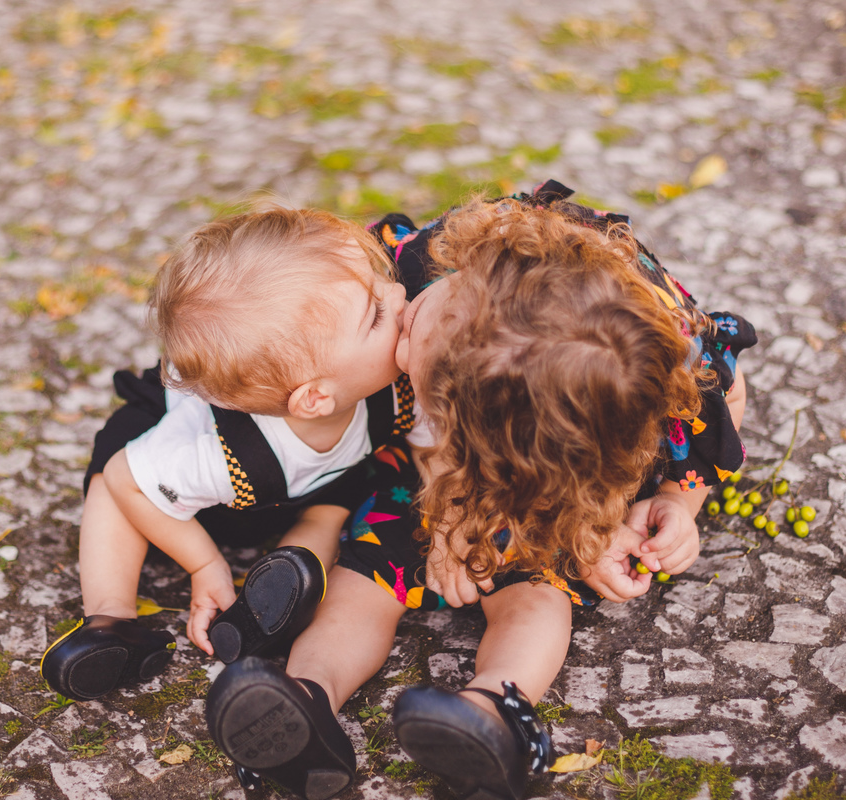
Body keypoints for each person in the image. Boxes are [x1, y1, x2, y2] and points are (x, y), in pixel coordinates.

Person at [204, 184, 755, 800]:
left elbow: (719, 412)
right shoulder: (432, 266)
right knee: (365, 577)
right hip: (437, 466)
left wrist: (677, 502)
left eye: (415, 351)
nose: (402, 337)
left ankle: (493, 712)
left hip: (546, 476)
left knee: (539, 596)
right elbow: (414, 416)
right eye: (421, 323)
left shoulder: (680, 358)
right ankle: (307, 700)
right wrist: (446, 514)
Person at [40, 206, 418, 702]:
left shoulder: (389, 380)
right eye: (376, 315)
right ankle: (110, 621)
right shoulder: (218, 454)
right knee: (111, 479)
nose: (398, 294)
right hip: (188, 486)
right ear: (315, 397)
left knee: (335, 509)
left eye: (383, 279)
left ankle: (281, 595)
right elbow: (126, 478)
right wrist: (203, 565)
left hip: (311, 481)